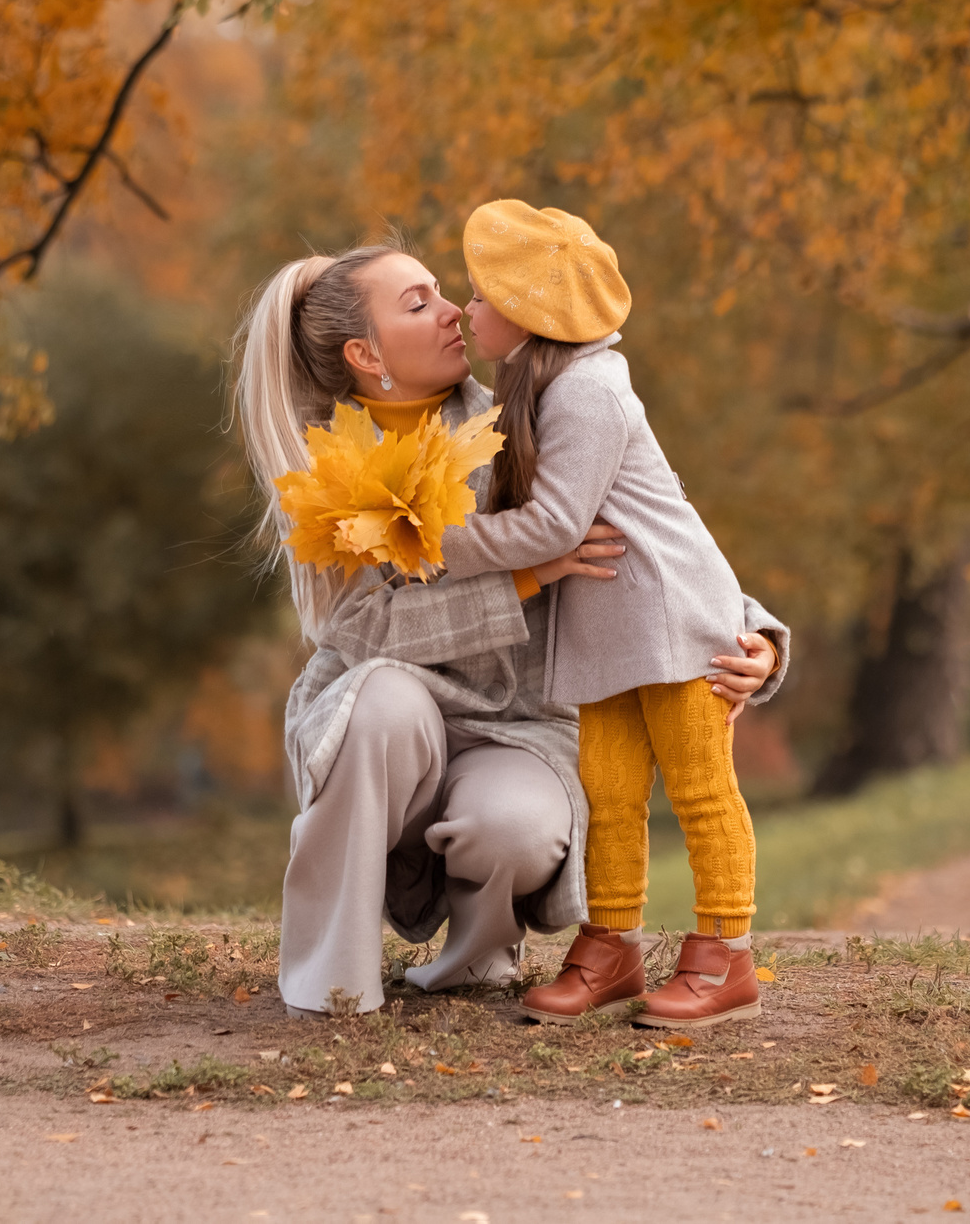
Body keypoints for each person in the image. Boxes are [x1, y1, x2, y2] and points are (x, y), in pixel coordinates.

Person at [232, 241, 782, 1015]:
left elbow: (656, 522)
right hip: (387, 730)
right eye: (419, 302)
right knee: (382, 697)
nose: (453, 310)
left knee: (515, 825)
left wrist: (757, 636)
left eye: (441, 290)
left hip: (519, 726)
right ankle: (331, 978)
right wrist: (524, 574)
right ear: (366, 354)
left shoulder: (528, 417)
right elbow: (362, 629)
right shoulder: (327, 472)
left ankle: (479, 956)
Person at [438, 201, 786, 1029]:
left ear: (527, 310)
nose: (468, 308)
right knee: (611, 794)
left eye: (481, 294)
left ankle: (725, 956)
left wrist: (439, 541)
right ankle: (612, 945)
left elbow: (555, 528)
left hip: (674, 625)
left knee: (702, 791)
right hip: (609, 637)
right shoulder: (542, 388)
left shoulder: (589, 391)